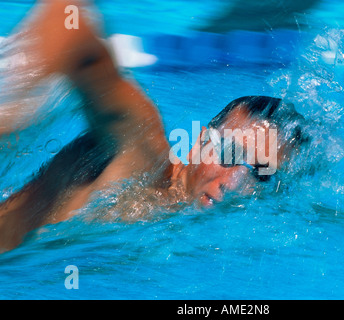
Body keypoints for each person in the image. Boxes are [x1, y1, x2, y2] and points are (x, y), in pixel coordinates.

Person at [0, 0, 306, 251]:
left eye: (261, 173)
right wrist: (10, 115)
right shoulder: (144, 155)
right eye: (228, 153)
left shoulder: (177, 222)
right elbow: (68, 19)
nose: (235, 181)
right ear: (200, 142)